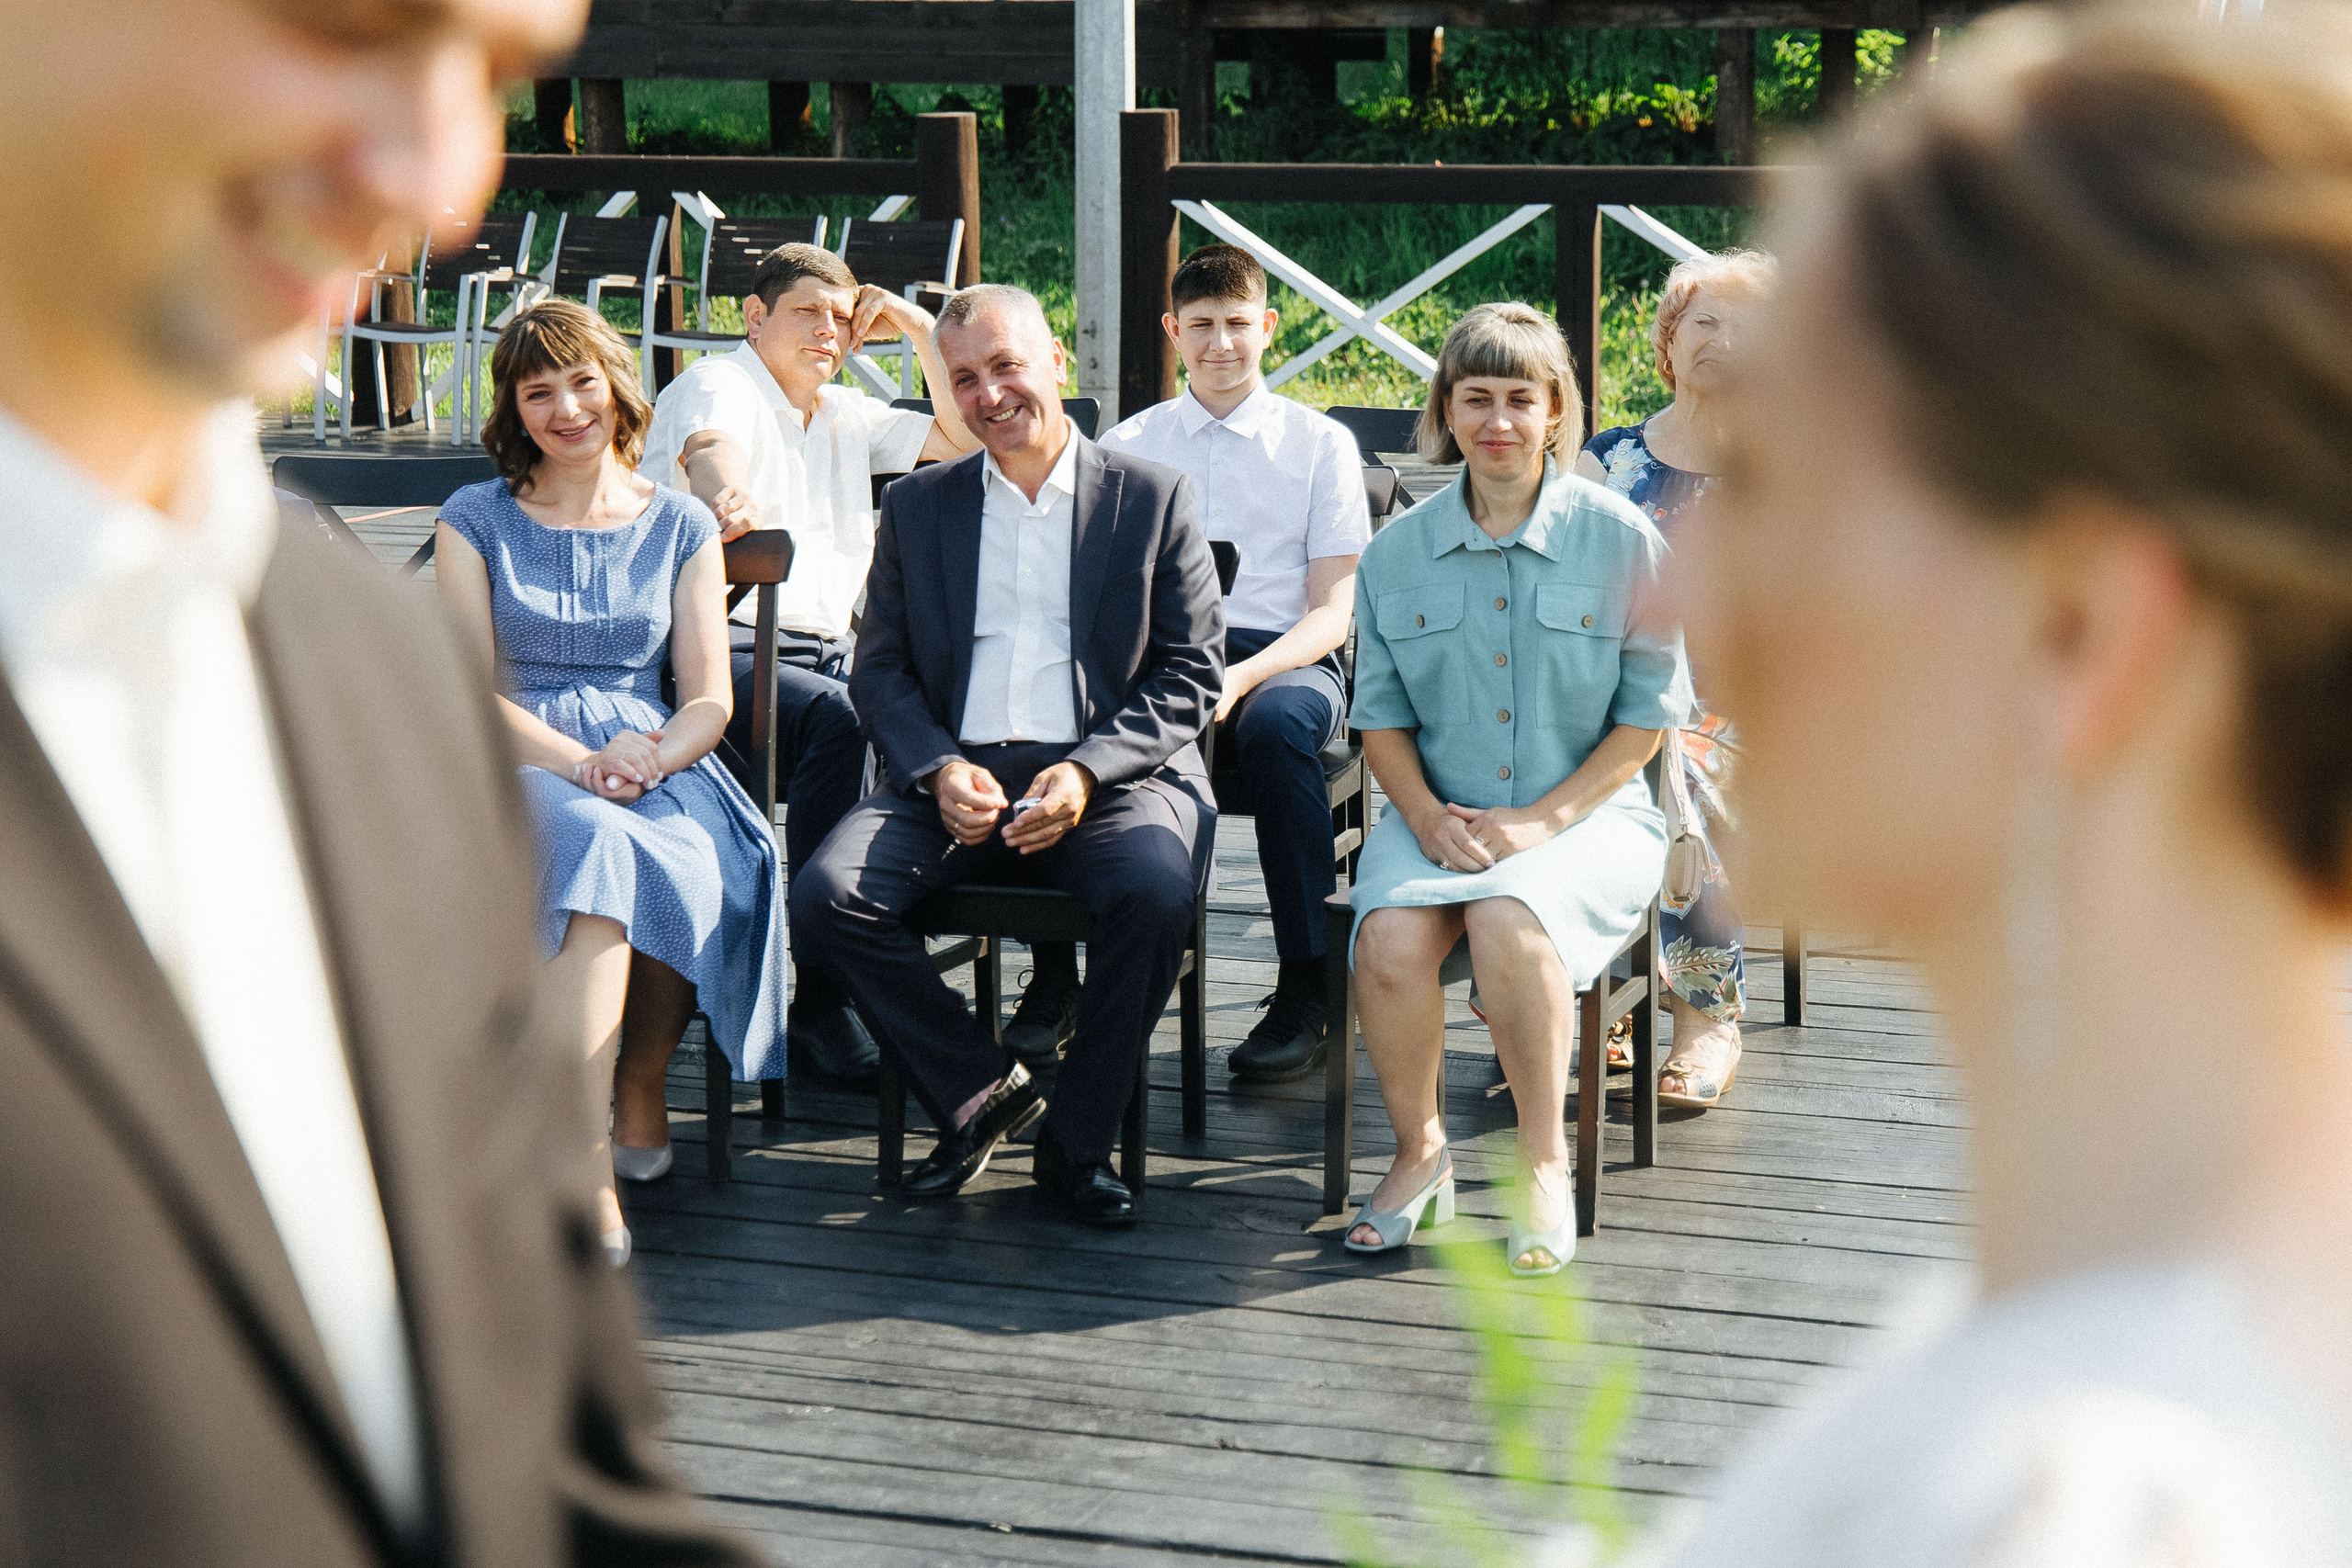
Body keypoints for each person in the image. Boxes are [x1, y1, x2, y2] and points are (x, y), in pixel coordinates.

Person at [0, 0, 758, 1562]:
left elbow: (559, 1463)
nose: (440, 176)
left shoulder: (364, 665)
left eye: (493, 72)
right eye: (345, 22)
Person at [1659, 8, 2352, 1563]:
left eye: (1782, 482)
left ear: (2078, 626)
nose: (1674, 596)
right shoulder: (2125, 1318)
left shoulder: (2091, 1508)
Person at [790, 284, 1224, 1230]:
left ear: (1054, 361)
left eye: (1006, 367)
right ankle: (983, 1092)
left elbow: (1192, 674)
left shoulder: (1151, 498)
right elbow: (881, 670)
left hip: (1114, 776)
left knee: (1151, 897)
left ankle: (1075, 1149)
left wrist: (1084, 770)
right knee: (827, 895)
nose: (990, 395)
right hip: (956, 771)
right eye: (965, 379)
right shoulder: (919, 506)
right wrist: (938, 768)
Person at [436, 299, 791, 1263]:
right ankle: (583, 1156)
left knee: (689, 847)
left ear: (616, 388)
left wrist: (653, 754)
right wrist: (584, 764)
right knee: (599, 838)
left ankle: (641, 1082)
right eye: (538, 390)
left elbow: (709, 698)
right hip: (517, 756)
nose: (566, 407)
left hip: (654, 751)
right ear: (513, 408)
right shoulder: (476, 519)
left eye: (582, 381)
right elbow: (467, 690)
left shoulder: (678, 523)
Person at [1342, 303, 1691, 1276]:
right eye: (1475, 399)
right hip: (1438, 811)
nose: (1498, 421)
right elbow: (1380, 720)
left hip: (1586, 810)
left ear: (1555, 413)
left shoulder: (1621, 539)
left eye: (1519, 400)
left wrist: (1541, 821)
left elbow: (1647, 719)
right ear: (1444, 411)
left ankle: (1541, 1161)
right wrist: (1419, 818)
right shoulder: (1394, 553)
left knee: (1508, 917)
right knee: (1387, 940)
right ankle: (1420, 1157)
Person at [639, 242, 978, 1087]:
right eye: (807, 313)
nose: (829, 331)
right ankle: (822, 992)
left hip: (831, 656)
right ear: (755, 317)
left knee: (936, 711)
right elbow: (708, 449)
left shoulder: (843, 415)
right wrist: (728, 497)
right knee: (848, 716)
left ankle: (882, 948)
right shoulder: (721, 383)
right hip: (717, 655)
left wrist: (912, 323)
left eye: (841, 317)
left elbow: (965, 438)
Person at [1099, 243, 1371, 1082]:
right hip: (1161, 651)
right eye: (1203, 326)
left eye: (1239, 325)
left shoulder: (1321, 444)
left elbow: (1334, 609)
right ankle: (1068, 979)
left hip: (1282, 656)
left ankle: (1307, 985)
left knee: (1282, 726)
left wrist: (1242, 677)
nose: (1222, 344)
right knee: (1072, 716)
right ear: (1173, 330)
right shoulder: (1128, 441)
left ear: (1269, 327)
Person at [1578, 249, 1777, 1111]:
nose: (1722, 339)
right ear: (1667, 341)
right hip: (1609, 695)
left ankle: (1703, 1015)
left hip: (1743, 711)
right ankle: (1585, 996)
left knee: (1673, 755)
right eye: (1704, 320)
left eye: (1746, 325)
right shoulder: (1606, 461)